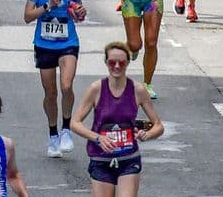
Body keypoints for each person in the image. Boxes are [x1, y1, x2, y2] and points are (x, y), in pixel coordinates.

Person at [70, 43, 165, 196]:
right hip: (101, 159)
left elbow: (158, 126)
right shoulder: (96, 89)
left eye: (121, 63)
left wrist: (148, 134)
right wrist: (98, 138)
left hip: (129, 158)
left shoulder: (138, 90)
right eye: (112, 62)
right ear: (106, 62)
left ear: (127, 63)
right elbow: (75, 123)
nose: (116, 66)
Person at [24, 0, 86, 159]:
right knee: (50, 93)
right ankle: (53, 134)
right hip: (44, 43)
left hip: (68, 42)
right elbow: (27, 17)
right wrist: (48, 6)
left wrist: (79, 12)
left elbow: (76, 13)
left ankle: (67, 129)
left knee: (66, 86)